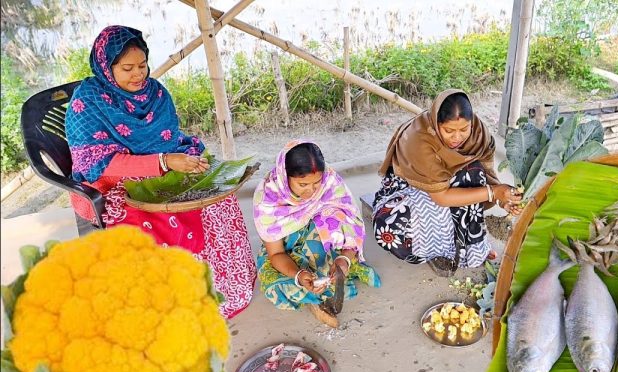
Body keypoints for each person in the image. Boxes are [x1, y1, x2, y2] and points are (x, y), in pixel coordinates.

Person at [64, 25, 256, 319]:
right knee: (160, 217)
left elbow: (169, 138)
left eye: (142, 65)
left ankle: (225, 287)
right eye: (127, 68)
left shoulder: (155, 93)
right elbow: (95, 163)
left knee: (218, 200)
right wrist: (163, 162)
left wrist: (181, 160)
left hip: (164, 165)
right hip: (113, 181)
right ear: (106, 67)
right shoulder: (86, 102)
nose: (138, 75)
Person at [372, 89, 523, 275]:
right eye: (449, 131)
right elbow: (441, 197)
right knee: (390, 231)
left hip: (449, 188)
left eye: (464, 129)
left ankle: (471, 246)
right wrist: (493, 192)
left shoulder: (478, 134)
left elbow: (488, 178)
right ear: (437, 123)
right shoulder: (419, 139)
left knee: (473, 173)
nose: (457, 137)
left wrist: (503, 199)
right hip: (411, 188)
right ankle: (445, 248)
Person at [253, 140, 380, 328]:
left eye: (316, 183)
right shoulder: (268, 198)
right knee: (277, 287)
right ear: (285, 176)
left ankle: (323, 281)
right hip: (287, 252)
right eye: (302, 184)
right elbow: (276, 254)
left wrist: (344, 259)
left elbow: (350, 224)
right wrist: (298, 275)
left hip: (321, 243)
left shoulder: (330, 181)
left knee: (333, 220)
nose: (311, 191)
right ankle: (313, 289)